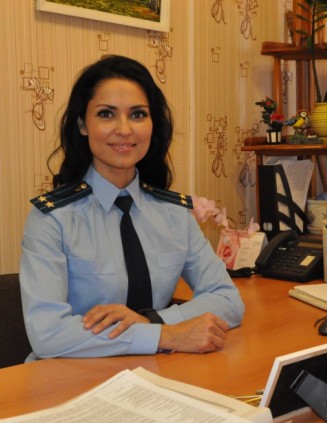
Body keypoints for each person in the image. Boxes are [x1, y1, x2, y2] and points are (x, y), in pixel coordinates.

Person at [20, 55, 245, 360]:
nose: (124, 129)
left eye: (138, 114)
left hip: (158, 371)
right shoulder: (52, 219)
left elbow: (228, 300)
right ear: (83, 125)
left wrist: (153, 321)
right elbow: (47, 334)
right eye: (106, 114)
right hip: (74, 374)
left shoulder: (175, 214)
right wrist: (166, 335)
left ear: (153, 125)